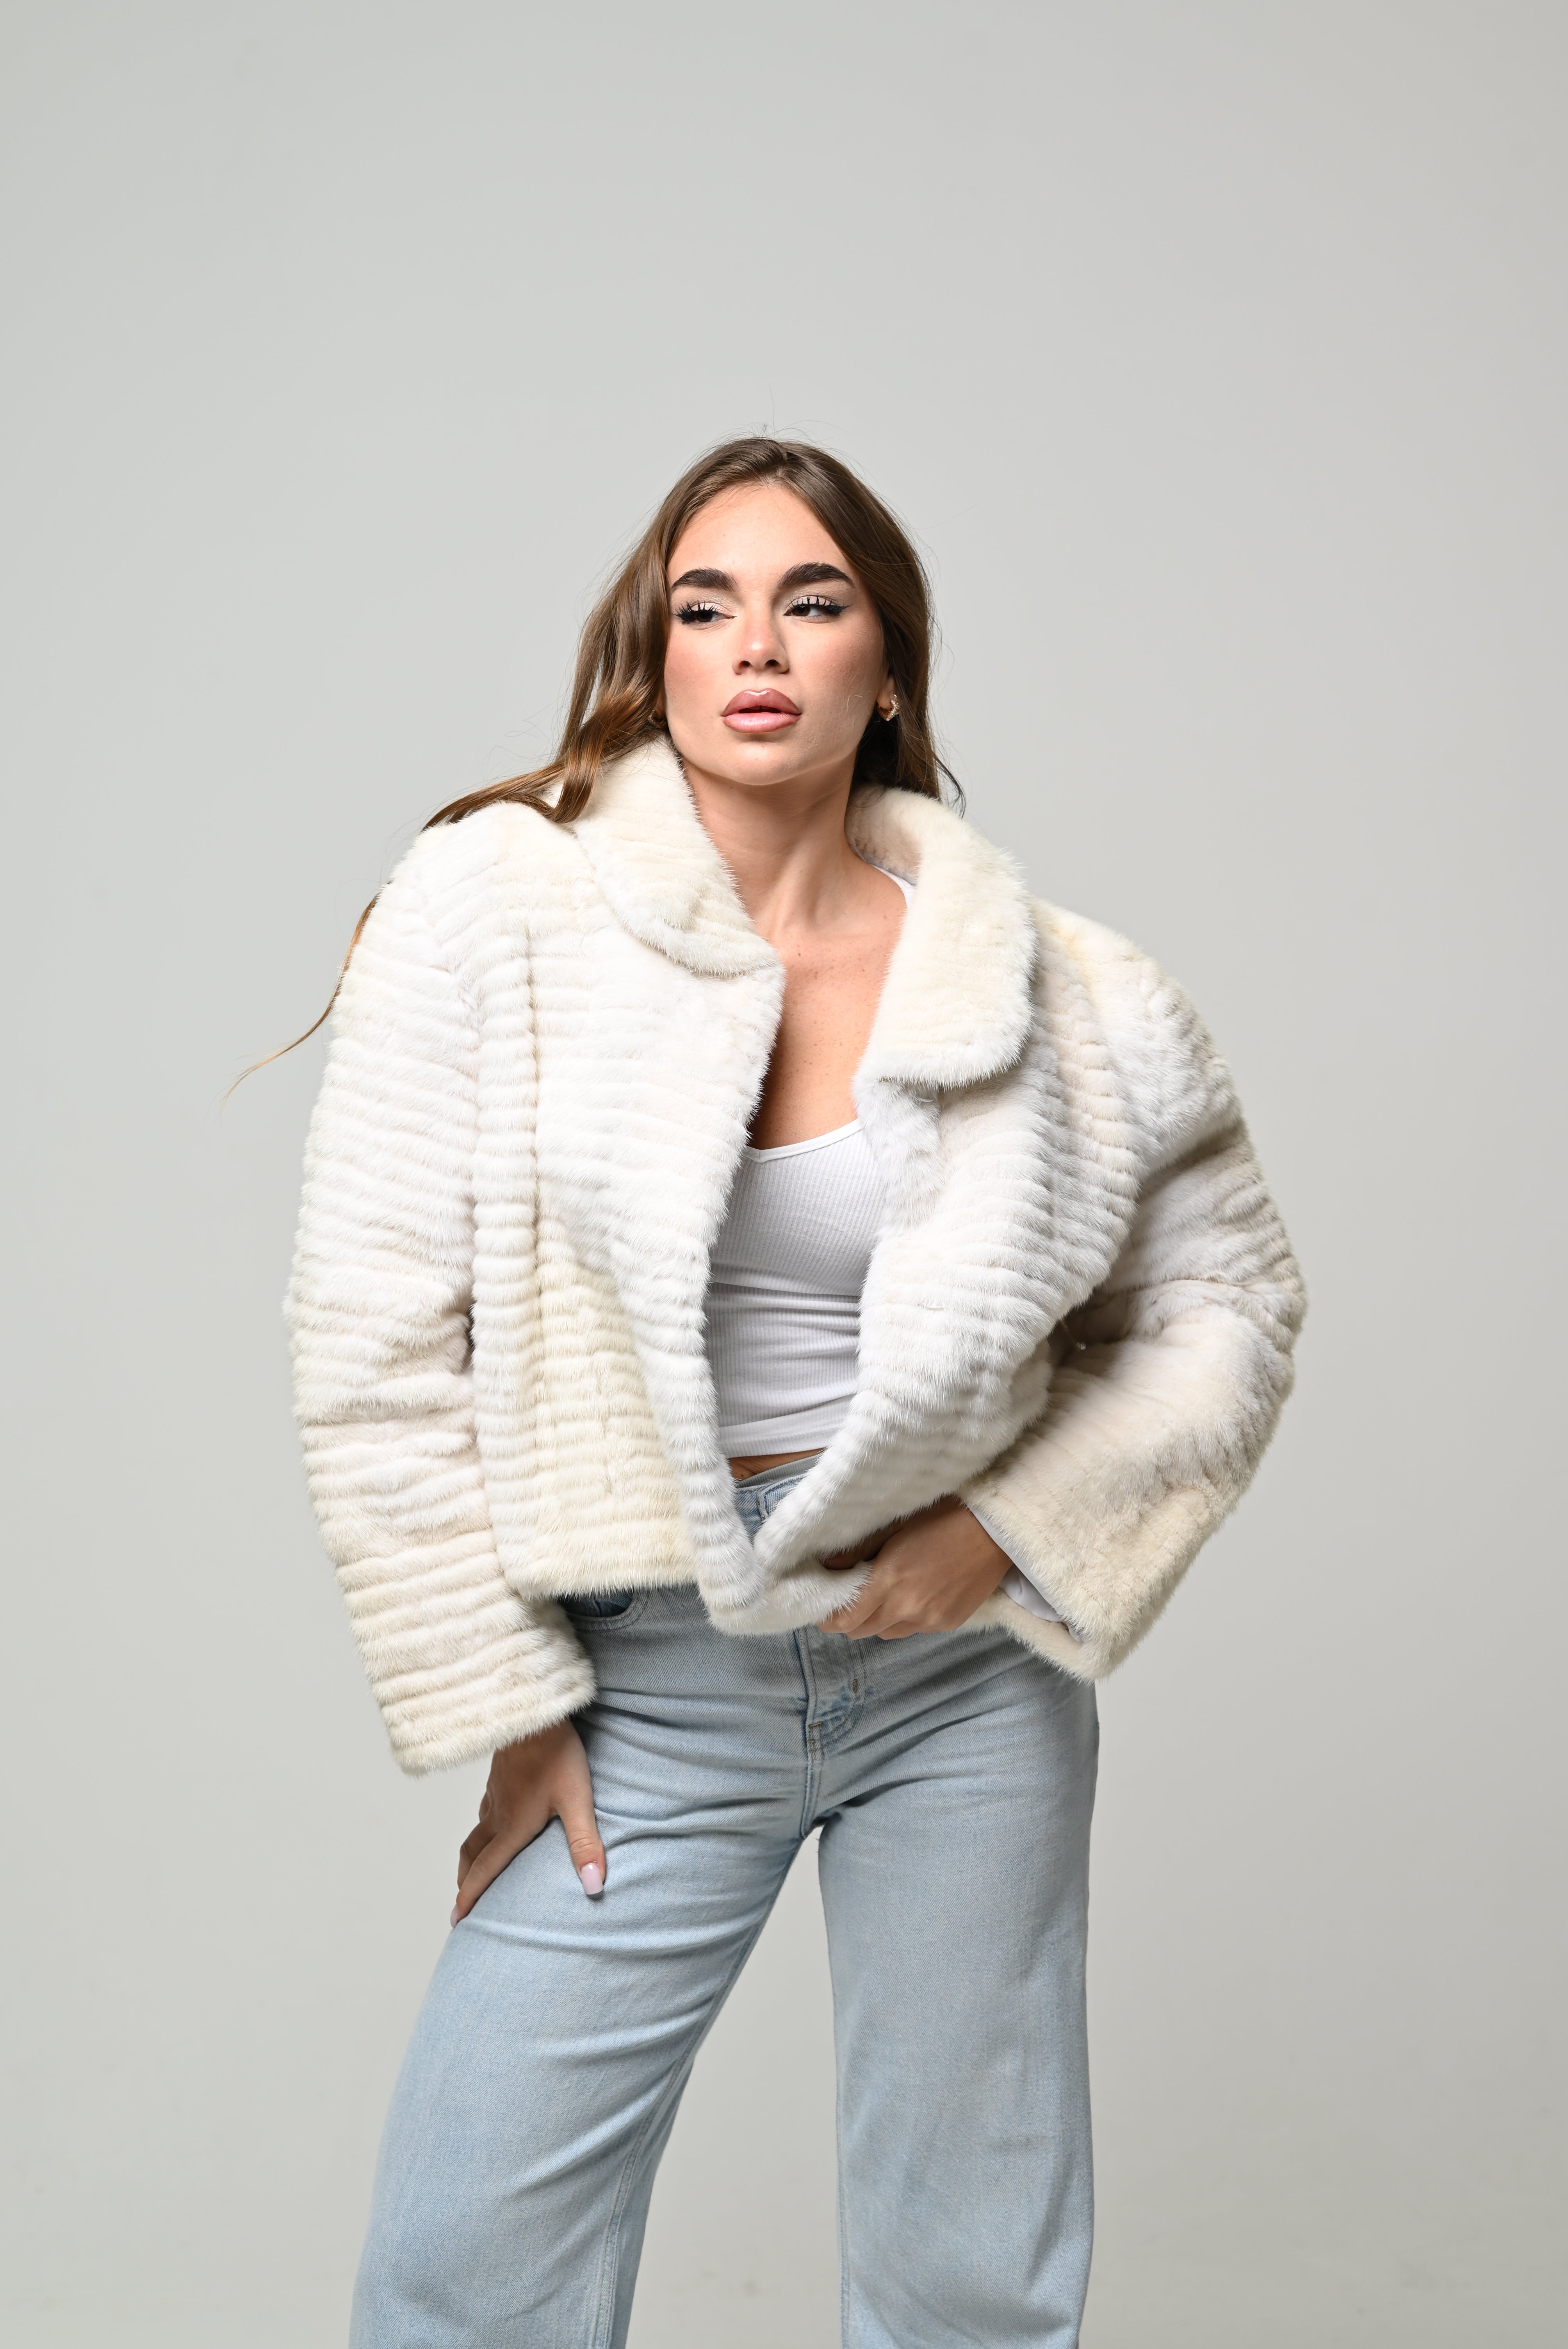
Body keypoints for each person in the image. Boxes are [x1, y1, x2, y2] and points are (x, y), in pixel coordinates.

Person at [285, 436, 1305, 2347]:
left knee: (968, 2277)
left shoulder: (1058, 990)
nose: (756, 645)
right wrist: (509, 1694)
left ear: (884, 666)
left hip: (962, 1679)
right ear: (656, 653)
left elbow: (1230, 1300)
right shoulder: (495, 910)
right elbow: (373, 1334)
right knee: (464, 2270)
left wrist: (1007, 1528)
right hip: (644, 1671)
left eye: (810, 602)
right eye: (707, 606)